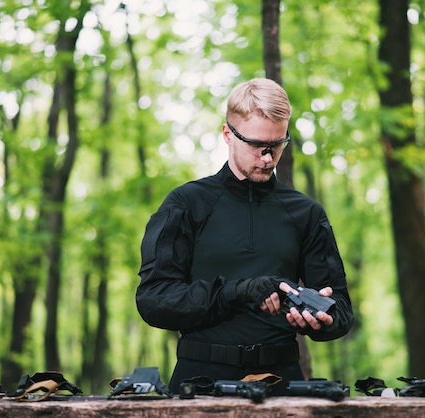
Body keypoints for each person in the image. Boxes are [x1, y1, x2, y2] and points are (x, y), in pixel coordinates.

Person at [136, 78, 354, 396]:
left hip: (281, 382)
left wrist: (321, 319)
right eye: (256, 145)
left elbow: (342, 310)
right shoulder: (187, 204)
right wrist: (237, 292)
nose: (267, 157)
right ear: (228, 134)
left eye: (277, 145)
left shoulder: (306, 213)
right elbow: (153, 300)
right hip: (199, 382)